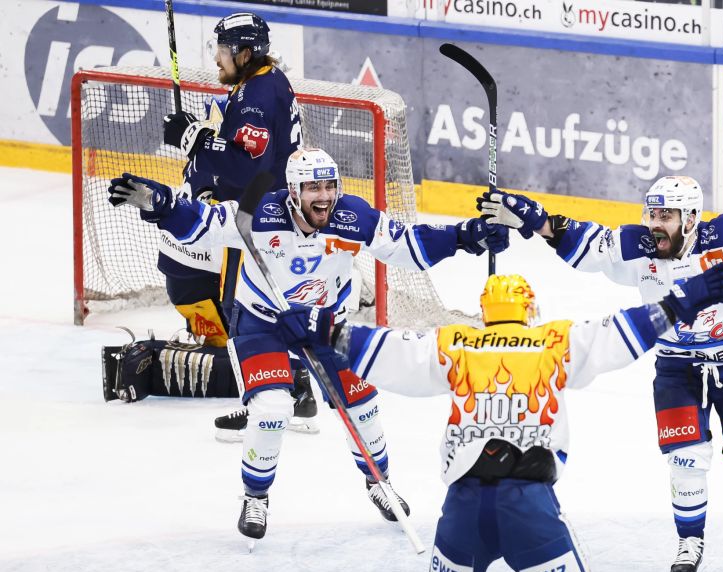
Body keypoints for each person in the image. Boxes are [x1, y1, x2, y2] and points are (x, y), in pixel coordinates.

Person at [284, 269, 723, 572]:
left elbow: (387, 352)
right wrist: (681, 301)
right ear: (531, 309)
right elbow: (621, 333)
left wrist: (323, 328)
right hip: (529, 507)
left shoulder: (455, 343)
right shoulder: (554, 341)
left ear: (484, 314)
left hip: (463, 510)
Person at [106, 147, 509, 539]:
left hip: (325, 322)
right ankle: (256, 496)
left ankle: (379, 484)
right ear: (294, 192)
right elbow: (201, 223)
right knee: (273, 409)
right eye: (314, 188)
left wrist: (465, 236)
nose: (325, 196)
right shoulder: (259, 212)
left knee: (362, 406)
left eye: (330, 185)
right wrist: (158, 203)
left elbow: (407, 245)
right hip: (263, 320)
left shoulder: (352, 216)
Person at [476, 148, 723, 572]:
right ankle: (689, 541)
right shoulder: (638, 246)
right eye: (653, 213)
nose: (656, 224)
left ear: (692, 218)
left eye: (667, 216)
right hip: (676, 369)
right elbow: (585, 244)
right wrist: (535, 219)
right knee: (684, 459)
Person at [160, 12, 318, 439]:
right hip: (270, 212)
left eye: (224, 51)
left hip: (260, 217)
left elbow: (248, 168)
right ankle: (298, 394)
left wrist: (193, 139)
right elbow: (245, 151)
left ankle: (264, 404)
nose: (217, 59)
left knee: (242, 310)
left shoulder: (258, 96)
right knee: (266, 307)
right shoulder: (261, 83)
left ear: (246, 54)